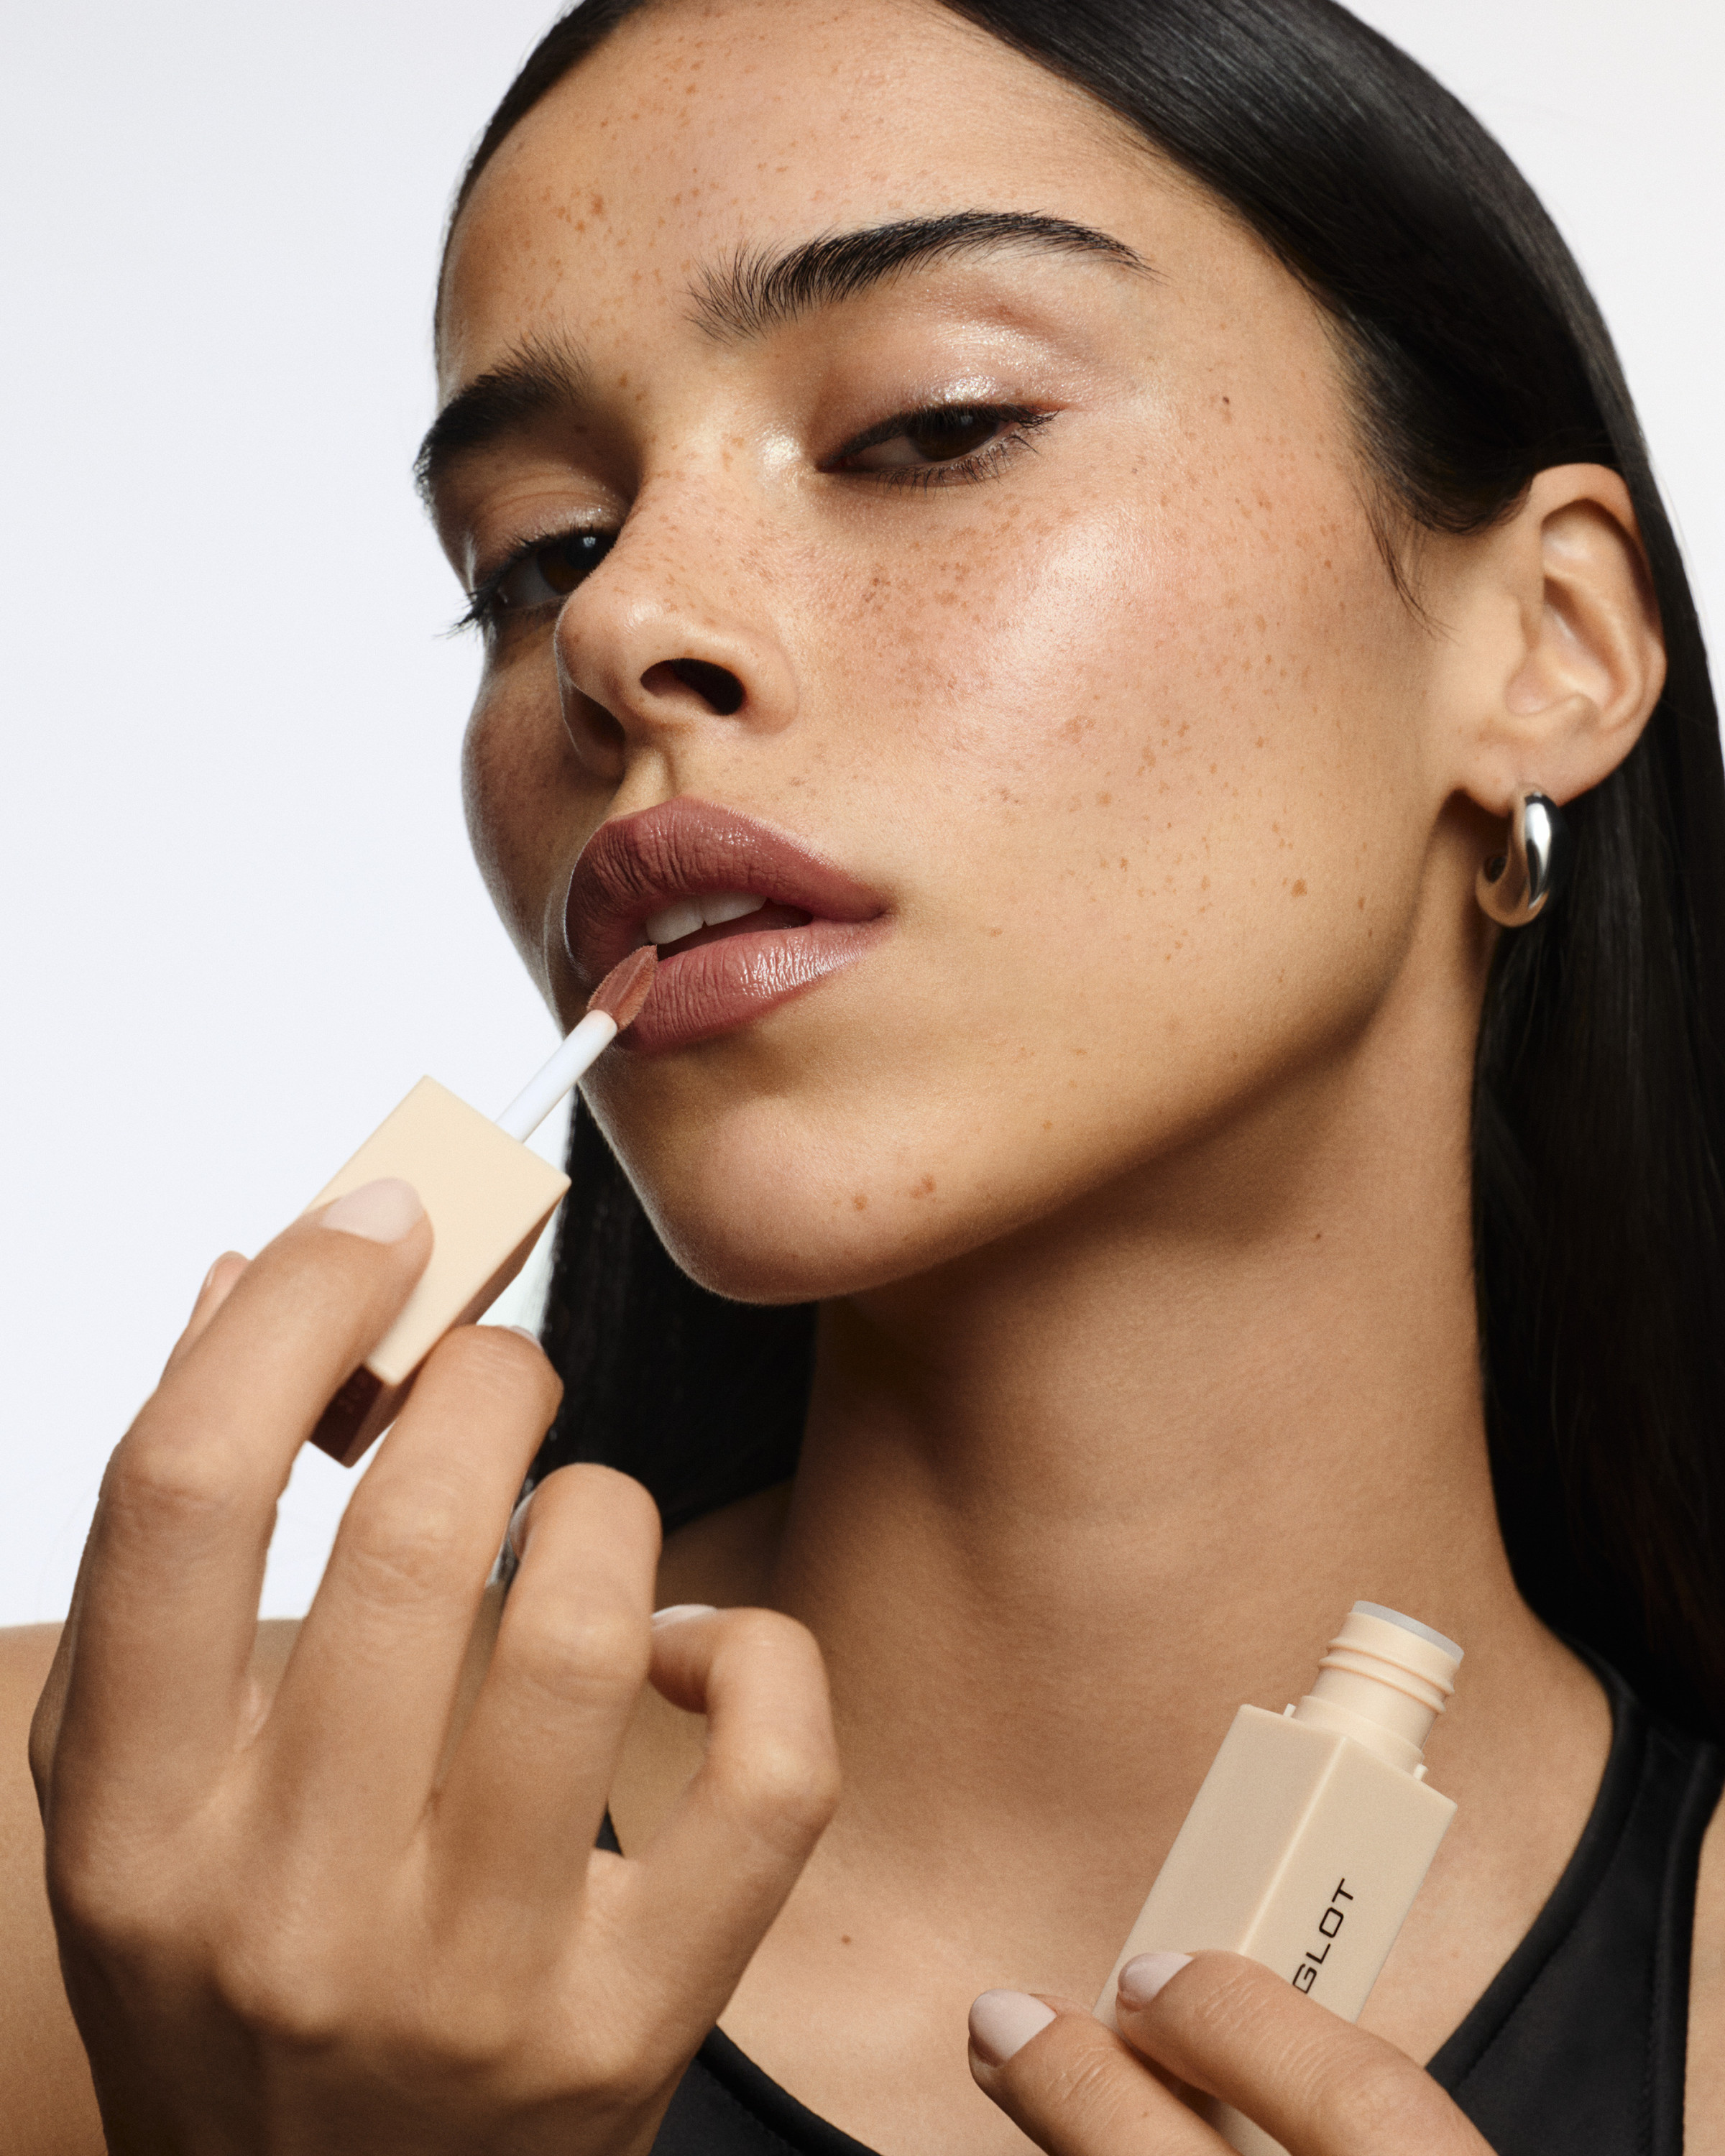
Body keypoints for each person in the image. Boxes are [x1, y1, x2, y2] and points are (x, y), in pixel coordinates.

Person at [4, 0, 1724, 2149]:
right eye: (540, 550)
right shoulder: (79, 1883)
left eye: (930, 429)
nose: (619, 625)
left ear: (1550, 645)